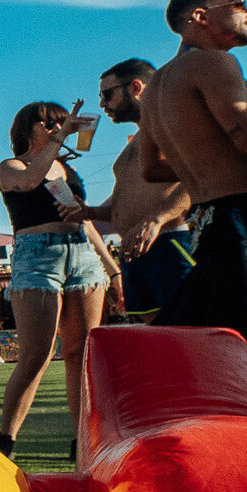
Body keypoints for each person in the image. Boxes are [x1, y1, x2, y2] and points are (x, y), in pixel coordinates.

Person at [136, 0, 247, 340]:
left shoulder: (156, 86)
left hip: (207, 222)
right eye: (239, 5)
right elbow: (246, 137)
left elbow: (151, 168)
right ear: (201, 17)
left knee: (227, 341)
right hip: (242, 217)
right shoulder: (213, 61)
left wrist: (207, 163)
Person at [0, 100, 107, 455]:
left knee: (80, 353)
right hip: (37, 255)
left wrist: (112, 267)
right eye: (49, 124)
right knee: (36, 355)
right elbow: (29, 182)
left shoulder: (67, 169)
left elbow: (85, 222)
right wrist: (57, 142)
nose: (58, 129)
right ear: (27, 128)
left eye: (61, 123)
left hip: (82, 253)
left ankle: (82, 441)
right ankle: (6, 439)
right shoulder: (11, 165)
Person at [89, 59, 194, 323]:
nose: (102, 104)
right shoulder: (138, 140)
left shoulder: (174, 123)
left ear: (136, 87)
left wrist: (157, 220)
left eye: (107, 94)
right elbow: (127, 202)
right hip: (135, 250)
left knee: (189, 328)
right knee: (159, 335)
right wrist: (89, 212)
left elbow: (201, 177)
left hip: (168, 241)